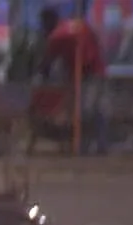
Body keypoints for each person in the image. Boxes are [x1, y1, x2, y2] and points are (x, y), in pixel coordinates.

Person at [38, 6, 106, 154]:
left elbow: (47, 63)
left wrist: (40, 78)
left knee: (85, 110)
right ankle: (97, 143)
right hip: (89, 69)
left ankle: (86, 145)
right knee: (92, 109)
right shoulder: (75, 25)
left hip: (89, 71)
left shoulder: (57, 35)